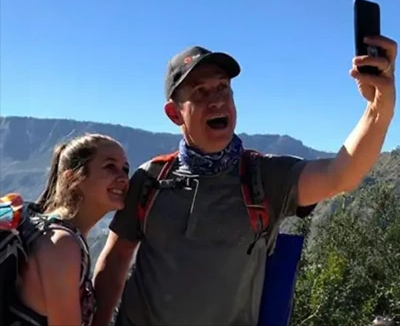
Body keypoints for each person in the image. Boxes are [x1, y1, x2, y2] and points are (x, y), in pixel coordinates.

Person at [93, 36, 397, 326]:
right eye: (200, 92)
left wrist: (379, 107)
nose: (217, 101)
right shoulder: (150, 179)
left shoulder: (264, 177)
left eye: (223, 88)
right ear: (175, 114)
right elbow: (116, 259)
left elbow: (339, 175)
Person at [6, 133, 130, 326]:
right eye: (110, 167)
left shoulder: (40, 226)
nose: (123, 178)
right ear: (73, 177)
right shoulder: (62, 244)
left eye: (125, 169)